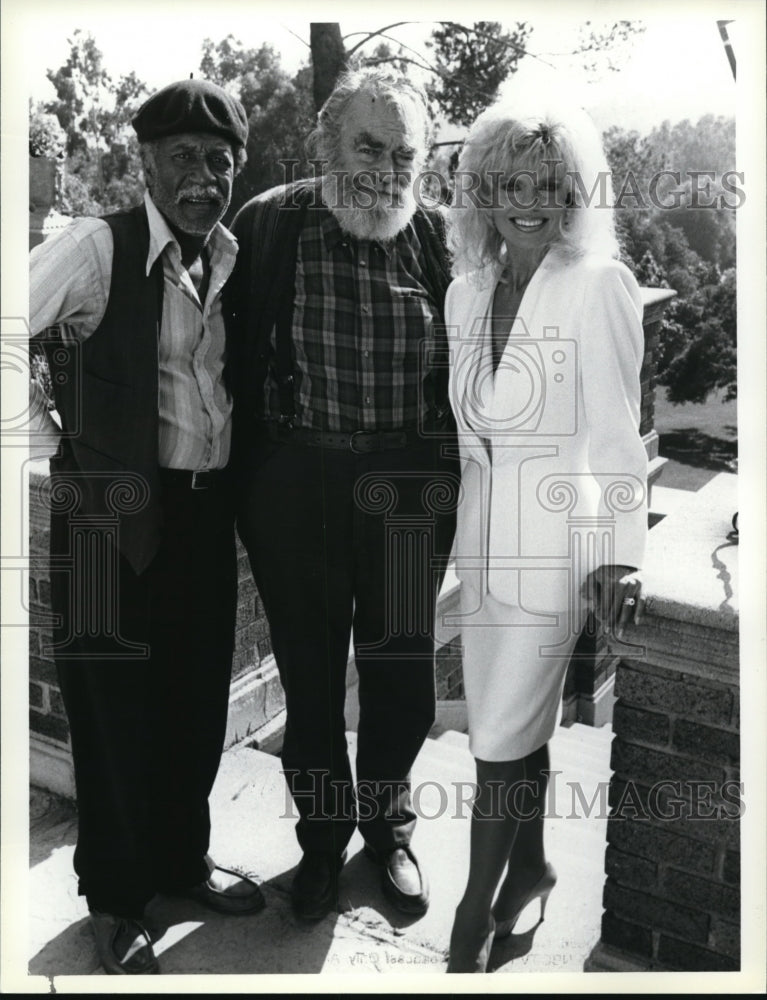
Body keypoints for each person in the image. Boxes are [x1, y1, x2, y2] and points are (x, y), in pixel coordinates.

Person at [29, 79, 264, 976]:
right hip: (98, 516)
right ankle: (116, 900)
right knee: (110, 713)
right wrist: (55, 435)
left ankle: (179, 860)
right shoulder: (97, 246)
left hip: (199, 510)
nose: (202, 179)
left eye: (219, 161)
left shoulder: (228, 253)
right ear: (145, 165)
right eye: (182, 160)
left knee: (193, 703)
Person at [225, 67, 459, 921]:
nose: (386, 170)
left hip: (404, 487)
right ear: (326, 146)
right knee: (313, 678)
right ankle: (321, 847)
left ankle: (387, 828)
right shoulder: (269, 224)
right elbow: (218, 348)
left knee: (402, 676)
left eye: (404, 154)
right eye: (368, 147)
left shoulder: (434, 238)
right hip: (298, 485)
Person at [443, 98, 648, 972]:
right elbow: (467, 438)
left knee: (494, 735)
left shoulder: (598, 284)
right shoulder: (465, 290)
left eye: (549, 185)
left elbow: (615, 435)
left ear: (574, 196)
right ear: (481, 195)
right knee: (514, 726)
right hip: (482, 543)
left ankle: (468, 922)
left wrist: (619, 553)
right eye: (509, 184)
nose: (529, 201)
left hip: (558, 540)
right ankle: (527, 869)